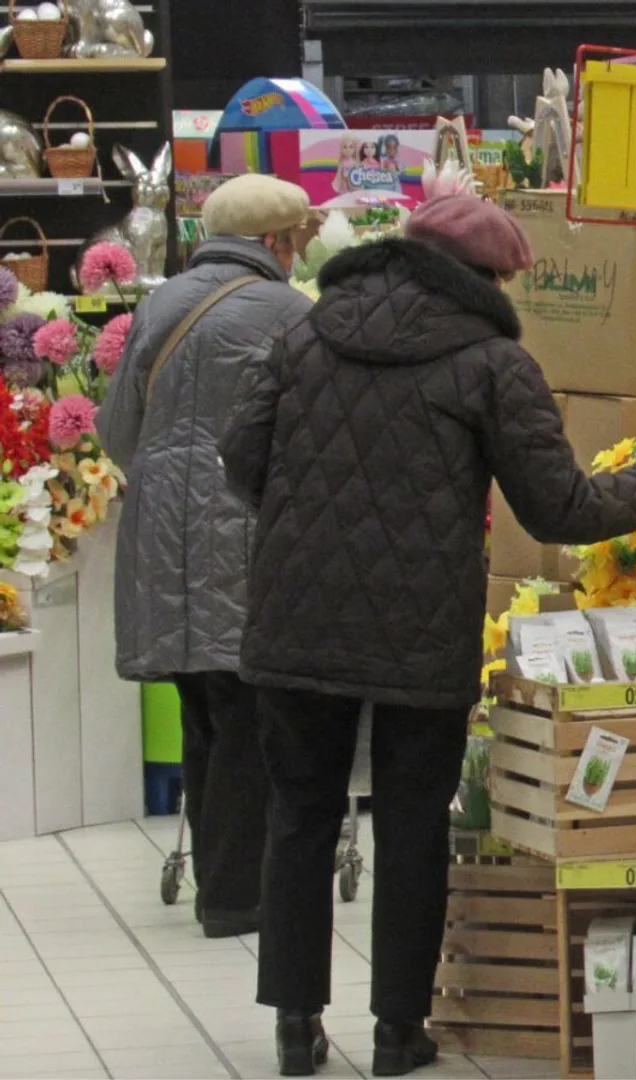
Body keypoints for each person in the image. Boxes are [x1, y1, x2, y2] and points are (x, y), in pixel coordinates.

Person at [220, 193, 636, 1077]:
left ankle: (294, 1027)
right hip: (418, 627)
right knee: (413, 821)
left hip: (294, 617)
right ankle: (399, 1032)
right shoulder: (492, 364)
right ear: (483, 279)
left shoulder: (305, 336)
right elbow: (558, 505)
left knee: (300, 815)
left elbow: (242, 460)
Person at [98, 173, 314, 939]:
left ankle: (218, 880)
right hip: (243, 531)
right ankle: (233, 895)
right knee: (249, 709)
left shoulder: (158, 304)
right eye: (298, 240)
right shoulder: (290, 313)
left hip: (161, 533)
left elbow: (115, 432)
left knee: (202, 705)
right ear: (275, 243)